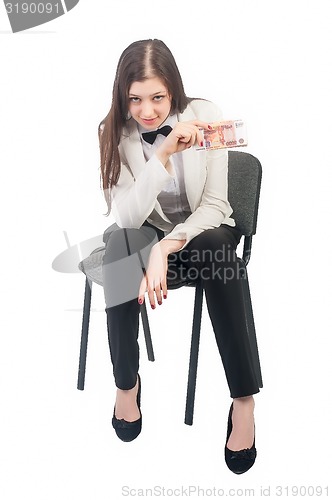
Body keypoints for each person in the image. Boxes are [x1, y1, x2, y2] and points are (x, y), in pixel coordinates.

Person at [98, 39, 262, 474]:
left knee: (216, 249)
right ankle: (126, 385)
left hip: (204, 237)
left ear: (173, 89)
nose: (147, 111)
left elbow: (215, 205)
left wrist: (166, 248)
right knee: (118, 246)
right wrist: (163, 155)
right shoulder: (113, 130)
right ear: (122, 95)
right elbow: (129, 217)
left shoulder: (205, 116)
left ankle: (242, 401)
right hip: (147, 235)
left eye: (157, 97)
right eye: (135, 99)